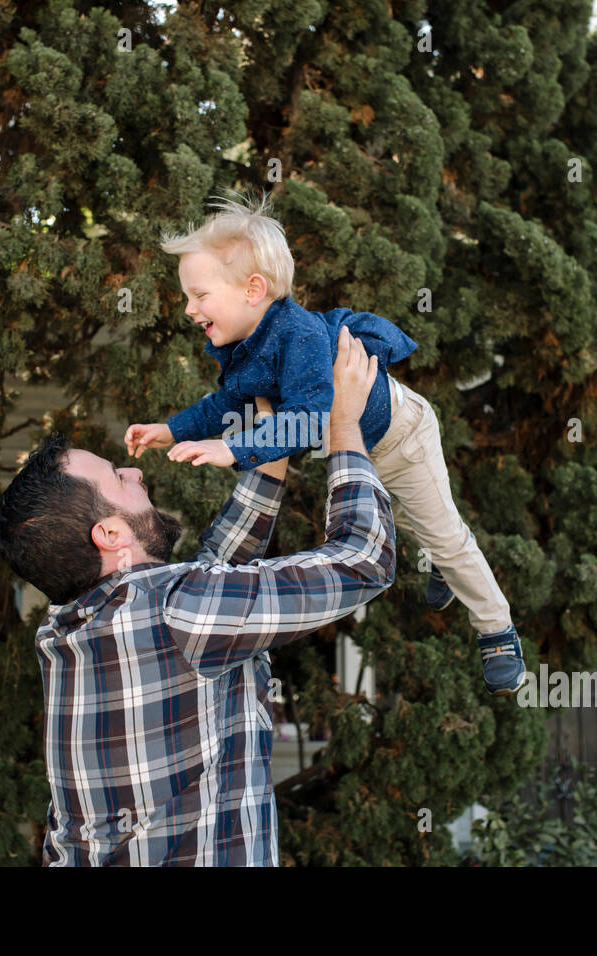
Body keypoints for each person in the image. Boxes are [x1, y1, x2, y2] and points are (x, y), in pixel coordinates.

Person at [0, 328, 394, 865]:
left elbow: (216, 577)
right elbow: (364, 560)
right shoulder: (174, 609)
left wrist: (272, 437)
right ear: (110, 534)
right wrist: (344, 423)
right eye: (118, 477)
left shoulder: (65, 634)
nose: (134, 470)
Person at [126, 189, 526, 695]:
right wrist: (171, 429)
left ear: (254, 289)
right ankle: (442, 565)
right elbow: (225, 403)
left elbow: (309, 421)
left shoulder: (302, 339)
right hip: (356, 449)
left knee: (445, 534)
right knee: (409, 519)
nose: (188, 309)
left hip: (401, 437)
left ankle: (497, 629)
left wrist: (233, 449)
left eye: (199, 295)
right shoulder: (246, 347)